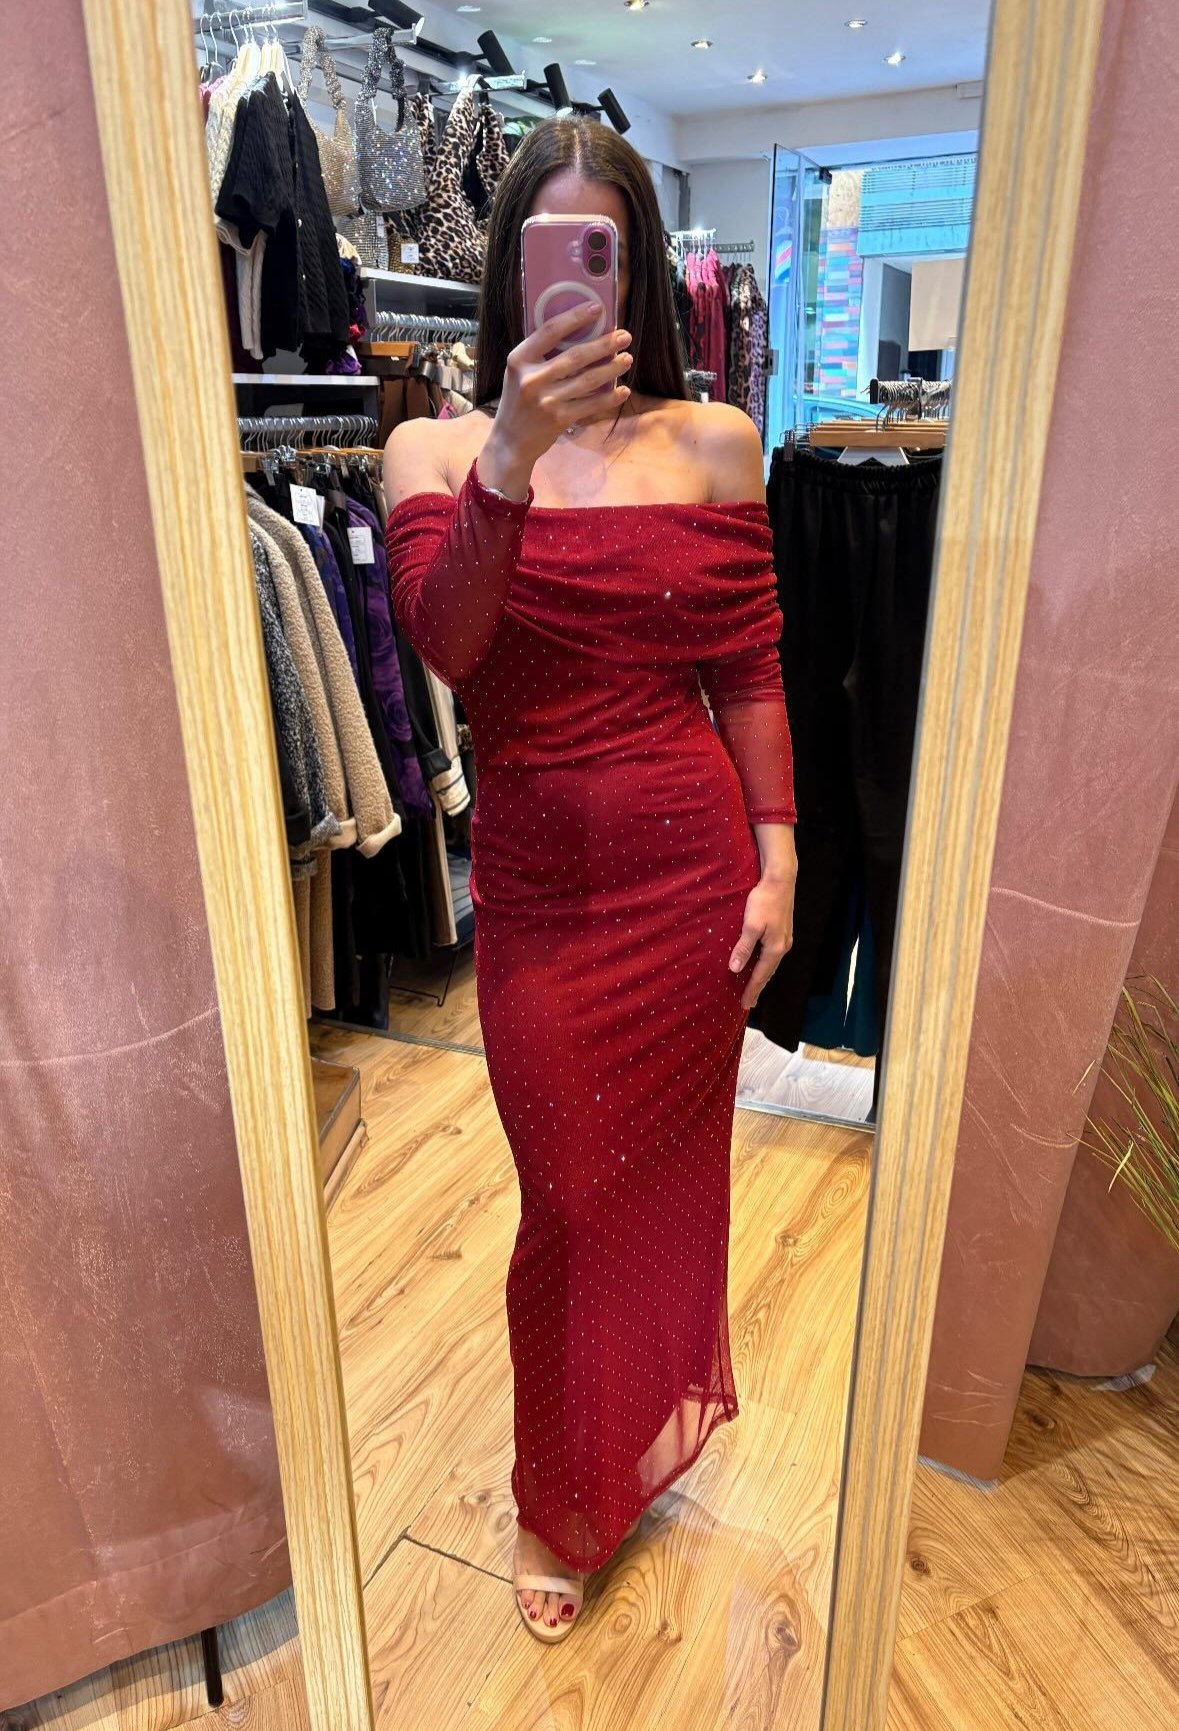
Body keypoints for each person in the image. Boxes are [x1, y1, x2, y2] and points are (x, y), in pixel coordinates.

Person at [383, 118, 797, 1644]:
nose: (578, 285)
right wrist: (507, 455)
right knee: (565, 1201)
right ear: (510, 273)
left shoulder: (715, 444)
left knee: (656, 1190)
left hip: (691, 881)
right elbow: (448, 645)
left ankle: (613, 1457)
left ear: (640, 274)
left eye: (603, 254)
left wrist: (782, 855)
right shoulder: (433, 452)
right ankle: (555, 1493)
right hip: (543, 902)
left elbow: (747, 668)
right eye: (552, 252)